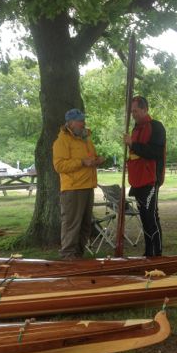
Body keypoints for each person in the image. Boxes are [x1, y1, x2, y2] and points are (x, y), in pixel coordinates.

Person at [53, 108, 104, 259]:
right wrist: (81, 162)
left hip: (88, 186)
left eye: (83, 120)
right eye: (80, 120)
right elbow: (59, 166)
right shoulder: (61, 141)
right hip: (73, 189)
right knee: (72, 225)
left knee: (85, 226)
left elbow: (90, 158)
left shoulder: (86, 139)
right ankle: (68, 257)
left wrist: (97, 160)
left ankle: (78, 256)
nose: (83, 123)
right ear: (71, 123)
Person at [123, 96, 166, 257]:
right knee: (144, 218)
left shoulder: (156, 127)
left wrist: (133, 144)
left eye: (135, 111)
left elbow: (154, 153)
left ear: (145, 109)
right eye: (131, 111)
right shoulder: (135, 129)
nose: (133, 114)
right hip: (137, 180)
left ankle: (157, 253)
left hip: (150, 179)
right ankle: (148, 253)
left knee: (151, 217)